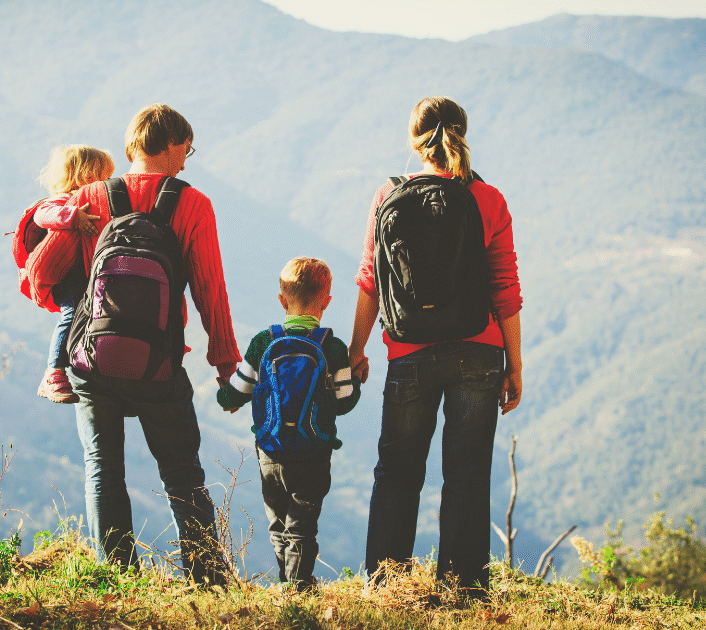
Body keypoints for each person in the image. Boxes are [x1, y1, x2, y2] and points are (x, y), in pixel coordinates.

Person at [349, 97, 523, 598]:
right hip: (479, 351)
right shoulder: (488, 198)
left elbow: (370, 280)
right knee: (467, 473)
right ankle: (464, 589)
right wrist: (514, 364)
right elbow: (504, 288)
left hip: (408, 352)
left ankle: (386, 585)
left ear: (414, 140)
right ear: (463, 134)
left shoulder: (388, 194)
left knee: (398, 470)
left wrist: (357, 350)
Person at [63, 104, 242, 585]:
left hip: (94, 362)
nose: (187, 159)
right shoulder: (193, 204)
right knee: (183, 471)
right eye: (186, 148)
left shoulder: (90, 198)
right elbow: (210, 287)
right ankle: (207, 579)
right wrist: (225, 360)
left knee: (103, 469)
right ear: (169, 145)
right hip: (159, 364)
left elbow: (57, 278)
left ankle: (117, 579)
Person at [216, 257, 360, 591]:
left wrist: (229, 401)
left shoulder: (263, 343)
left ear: (282, 300)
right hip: (314, 451)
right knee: (303, 526)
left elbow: (234, 395)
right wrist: (357, 378)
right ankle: (298, 589)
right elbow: (345, 401)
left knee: (278, 524)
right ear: (326, 302)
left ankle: (289, 583)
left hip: (271, 452)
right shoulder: (333, 348)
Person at [18, 144, 114, 403]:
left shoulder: (91, 201)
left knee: (85, 316)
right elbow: (42, 215)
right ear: (85, 176)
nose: (106, 184)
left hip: (83, 272)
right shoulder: (64, 200)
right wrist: (73, 217)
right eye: (103, 177)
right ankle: (53, 373)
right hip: (66, 275)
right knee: (70, 315)